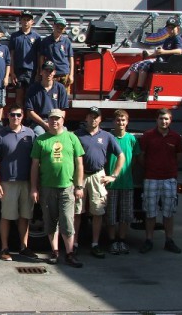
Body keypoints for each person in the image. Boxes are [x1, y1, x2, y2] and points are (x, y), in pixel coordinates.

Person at [30, 108, 85, 268]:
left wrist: (79, 186)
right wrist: (34, 188)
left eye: (57, 118)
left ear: (63, 120)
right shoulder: (41, 140)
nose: (54, 121)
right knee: (50, 221)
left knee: (67, 221)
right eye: (52, 118)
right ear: (48, 120)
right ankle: (54, 252)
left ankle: (70, 253)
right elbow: (34, 166)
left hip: (67, 187)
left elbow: (79, 163)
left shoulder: (72, 138)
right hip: (47, 187)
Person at [74, 106, 124, 259]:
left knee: (97, 211)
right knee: (77, 211)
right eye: (90, 116)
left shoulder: (107, 136)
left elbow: (121, 156)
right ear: (86, 118)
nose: (93, 119)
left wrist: (113, 176)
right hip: (80, 175)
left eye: (96, 116)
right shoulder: (77, 135)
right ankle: (74, 244)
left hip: (98, 175)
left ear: (100, 119)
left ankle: (95, 244)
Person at [0, 104, 37, 261]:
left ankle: (24, 247)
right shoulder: (1, 134)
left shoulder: (31, 134)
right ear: (7, 116)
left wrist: (35, 185)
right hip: (7, 182)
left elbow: (35, 161)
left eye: (18, 115)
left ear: (23, 116)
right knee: (6, 216)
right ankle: (4, 248)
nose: (15, 118)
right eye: (12, 115)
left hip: (26, 182)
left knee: (25, 216)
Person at [139, 108, 182, 254]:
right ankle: (149, 240)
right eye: (161, 118)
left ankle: (169, 240)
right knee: (150, 212)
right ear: (156, 120)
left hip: (169, 179)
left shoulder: (176, 137)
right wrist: (151, 169)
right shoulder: (148, 136)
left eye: (166, 119)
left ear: (170, 120)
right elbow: (142, 156)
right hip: (151, 178)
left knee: (168, 212)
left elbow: (178, 156)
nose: (163, 121)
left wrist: (170, 170)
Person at [123, 18, 182, 102]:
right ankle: (129, 89)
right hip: (160, 58)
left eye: (173, 28)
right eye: (168, 28)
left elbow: (179, 51)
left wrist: (163, 51)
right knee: (135, 65)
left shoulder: (177, 38)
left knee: (143, 65)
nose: (170, 30)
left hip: (167, 61)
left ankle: (139, 90)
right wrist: (150, 54)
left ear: (178, 28)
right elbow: (160, 52)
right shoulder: (168, 39)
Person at [106, 109, 140, 255]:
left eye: (123, 120)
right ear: (114, 122)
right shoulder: (108, 137)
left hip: (127, 183)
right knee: (111, 215)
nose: (120, 123)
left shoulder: (131, 139)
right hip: (111, 184)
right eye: (118, 120)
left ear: (127, 122)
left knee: (125, 215)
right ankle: (112, 241)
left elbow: (136, 159)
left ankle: (122, 240)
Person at [25, 60, 69, 136]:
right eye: (46, 71)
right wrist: (44, 124)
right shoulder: (33, 89)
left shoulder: (60, 88)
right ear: (41, 72)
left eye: (51, 71)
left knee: (64, 134)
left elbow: (63, 110)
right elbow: (30, 112)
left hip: (56, 120)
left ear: (54, 72)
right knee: (40, 134)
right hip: (39, 122)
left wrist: (57, 122)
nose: (48, 73)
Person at [9, 10, 41, 108]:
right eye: (24, 19)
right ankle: (19, 118)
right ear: (21, 21)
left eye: (28, 20)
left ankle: (29, 120)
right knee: (19, 95)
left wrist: (38, 72)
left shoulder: (37, 37)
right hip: (18, 71)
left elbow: (39, 56)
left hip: (31, 71)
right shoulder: (14, 36)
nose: (26, 22)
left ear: (32, 22)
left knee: (30, 95)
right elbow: (11, 56)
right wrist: (12, 72)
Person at [38, 17, 74, 91]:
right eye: (57, 26)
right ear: (53, 26)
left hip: (64, 74)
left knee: (64, 97)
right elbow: (41, 57)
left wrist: (71, 75)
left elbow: (71, 58)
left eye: (62, 28)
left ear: (64, 29)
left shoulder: (67, 41)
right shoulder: (46, 41)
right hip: (51, 73)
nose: (59, 29)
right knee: (52, 96)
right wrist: (42, 71)